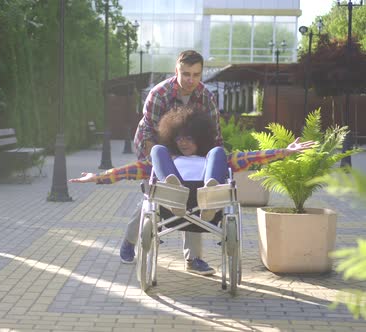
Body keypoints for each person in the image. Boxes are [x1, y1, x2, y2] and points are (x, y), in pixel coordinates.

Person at [70, 107, 316, 275]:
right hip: (170, 201)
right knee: (155, 151)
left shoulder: (212, 157)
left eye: (189, 137)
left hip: (206, 201)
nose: (183, 142)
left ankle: (208, 196)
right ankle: (174, 187)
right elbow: (127, 171)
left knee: (221, 153)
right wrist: (98, 177)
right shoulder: (169, 156)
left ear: (200, 137)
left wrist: (285, 151)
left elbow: (250, 158)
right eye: (179, 138)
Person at [128, 50, 222, 275]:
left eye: (196, 75)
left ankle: (194, 258)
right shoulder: (159, 93)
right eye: (186, 74)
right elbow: (150, 132)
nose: (191, 80)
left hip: (192, 148)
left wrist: (211, 163)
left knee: (194, 193)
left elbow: (214, 135)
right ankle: (130, 240)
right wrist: (165, 161)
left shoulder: (206, 97)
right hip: (157, 146)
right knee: (155, 195)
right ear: (176, 70)